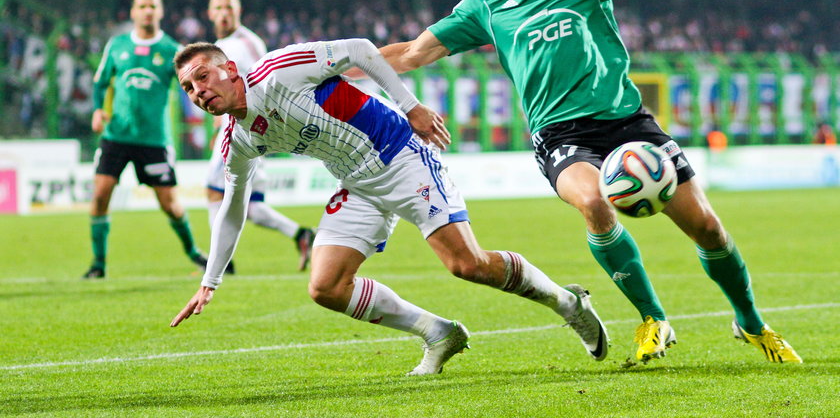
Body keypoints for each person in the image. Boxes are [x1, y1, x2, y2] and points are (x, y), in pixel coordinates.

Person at [375, 0, 807, 365]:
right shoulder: (489, 3)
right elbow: (411, 53)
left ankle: (750, 322)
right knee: (595, 201)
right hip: (561, 136)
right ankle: (652, 318)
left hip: (630, 125)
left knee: (708, 228)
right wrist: (329, 61)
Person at [169, 40, 609, 375]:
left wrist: (411, 107)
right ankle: (440, 333)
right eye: (189, 87)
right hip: (356, 184)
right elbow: (233, 203)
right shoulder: (236, 139)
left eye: (203, 77)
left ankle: (567, 303)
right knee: (325, 287)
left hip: (401, 155)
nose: (198, 91)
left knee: (466, 265)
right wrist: (211, 280)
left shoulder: (279, 71)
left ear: (230, 69)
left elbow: (361, 50)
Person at [84, 0, 205, 279]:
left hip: (153, 141)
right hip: (116, 136)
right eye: (142, 6)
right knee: (100, 195)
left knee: (170, 204)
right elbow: (100, 83)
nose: (147, 11)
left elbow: (191, 85)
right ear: (133, 12)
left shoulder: (172, 50)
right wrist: (98, 110)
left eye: (153, 6)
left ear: (160, 12)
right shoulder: (118, 45)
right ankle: (98, 264)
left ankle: (194, 253)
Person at [206, 0, 314, 271]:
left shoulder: (246, 43)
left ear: (239, 10)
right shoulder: (221, 47)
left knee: (214, 192)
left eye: (229, 7)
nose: (224, 13)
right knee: (251, 205)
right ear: (210, 13)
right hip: (238, 126)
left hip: (246, 128)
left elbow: (264, 83)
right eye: (219, 8)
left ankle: (220, 263)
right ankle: (301, 235)